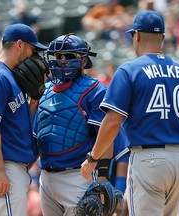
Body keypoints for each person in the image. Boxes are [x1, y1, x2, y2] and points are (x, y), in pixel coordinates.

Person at [80, 10, 179, 216]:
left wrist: (93, 157)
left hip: (149, 160)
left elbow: (113, 121)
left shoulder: (129, 70)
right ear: (163, 38)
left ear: (137, 35)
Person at [33, 33, 129, 215]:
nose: (61, 61)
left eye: (68, 56)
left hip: (79, 175)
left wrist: (102, 176)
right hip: (45, 176)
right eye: (57, 56)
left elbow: (106, 134)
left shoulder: (95, 89)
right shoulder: (43, 90)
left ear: (83, 60)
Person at [0, 23, 48, 215]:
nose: (34, 55)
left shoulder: (13, 78)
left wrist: (33, 105)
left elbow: (14, 124)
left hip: (12, 165)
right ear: (20, 44)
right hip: (3, 165)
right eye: (33, 49)